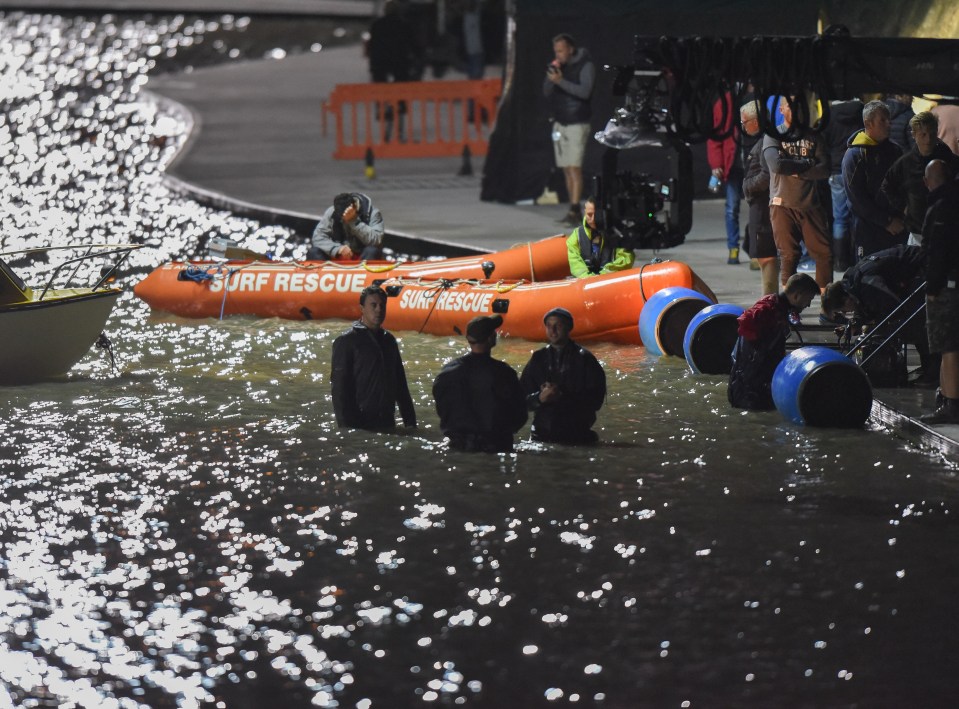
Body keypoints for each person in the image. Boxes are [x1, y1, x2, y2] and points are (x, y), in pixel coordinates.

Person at [820, 244, 934, 385]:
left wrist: (874, 328)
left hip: (922, 268)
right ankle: (929, 368)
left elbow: (893, 308)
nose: (846, 313)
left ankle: (932, 371)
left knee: (914, 324)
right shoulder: (852, 283)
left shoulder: (867, 283)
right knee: (907, 323)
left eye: (843, 310)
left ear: (845, 299)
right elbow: (865, 304)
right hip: (911, 274)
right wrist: (856, 324)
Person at [763, 96, 832, 290]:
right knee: (789, 255)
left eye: (798, 108)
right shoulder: (774, 135)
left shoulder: (813, 136)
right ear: (782, 110)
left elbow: (825, 168)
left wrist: (796, 169)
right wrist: (808, 164)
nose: (795, 112)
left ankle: (827, 306)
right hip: (782, 203)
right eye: (790, 108)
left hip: (810, 203)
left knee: (824, 253)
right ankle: (788, 307)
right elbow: (776, 164)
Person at [432, 314, 528, 452]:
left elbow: (442, 409)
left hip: (458, 446)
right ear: (491, 338)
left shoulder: (447, 372)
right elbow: (520, 414)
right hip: (496, 446)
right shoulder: (505, 373)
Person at [728, 273, 820, 411]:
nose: (808, 304)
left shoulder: (779, 308)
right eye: (809, 299)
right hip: (749, 389)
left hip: (760, 385)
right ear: (797, 295)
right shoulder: (768, 309)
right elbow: (745, 324)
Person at [331, 285, 417, 431]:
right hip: (361, 425)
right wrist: (347, 430)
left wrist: (410, 422)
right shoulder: (347, 341)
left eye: (382, 305)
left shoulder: (389, 341)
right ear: (362, 308)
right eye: (373, 305)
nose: (379, 309)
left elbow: (401, 384)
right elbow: (339, 391)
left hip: (387, 422)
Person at [520, 307, 606, 444]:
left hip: (576, 434)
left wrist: (561, 396)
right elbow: (520, 399)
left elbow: (595, 401)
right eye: (549, 326)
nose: (552, 331)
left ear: (568, 327)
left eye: (558, 326)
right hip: (541, 435)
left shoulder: (585, 359)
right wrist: (540, 398)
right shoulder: (538, 358)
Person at [881, 111, 959, 248]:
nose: (928, 140)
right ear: (914, 135)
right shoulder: (905, 163)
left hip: (947, 229)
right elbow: (887, 185)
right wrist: (904, 208)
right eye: (923, 134)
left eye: (932, 134)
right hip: (918, 231)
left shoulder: (946, 156)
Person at [919, 160, 959, 424]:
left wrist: (932, 287)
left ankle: (950, 403)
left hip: (948, 286)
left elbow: (938, 251)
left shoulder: (943, 207)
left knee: (948, 347)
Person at [840, 100, 905, 263]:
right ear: (868, 123)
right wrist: (886, 221)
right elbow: (857, 198)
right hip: (867, 229)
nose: (889, 124)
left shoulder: (895, 150)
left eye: (889, 119)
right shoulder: (855, 155)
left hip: (896, 227)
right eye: (883, 120)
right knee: (868, 273)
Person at [543, 33, 595, 226]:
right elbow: (546, 92)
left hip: (576, 123)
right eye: (556, 51)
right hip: (560, 123)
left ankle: (575, 208)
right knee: (566, 168)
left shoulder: (585, 65)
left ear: (570, 49)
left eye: (561, 50)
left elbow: (584, 91)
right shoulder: (559, 67)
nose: (558, 54)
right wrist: (552, 76)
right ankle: (571, 208)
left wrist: (560, 82)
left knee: (574, 167)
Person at [740, 99, 779, 295]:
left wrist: (747, 186)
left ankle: (768, 302)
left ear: (756, 121)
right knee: (762, 254)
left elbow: (766, 175)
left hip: (763, 208)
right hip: (760, 206)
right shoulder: (764, 140)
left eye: (744, 122)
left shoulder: (765, 141)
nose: (743, 126)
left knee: (766, 256)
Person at [368, 0, 419, 142]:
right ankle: (400, 131)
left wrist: (373, 68)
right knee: (400, 96)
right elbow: (414, 44)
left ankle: (383, 114)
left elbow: (372, 47)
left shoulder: (377, 25)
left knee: (382, 94)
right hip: (399, 65)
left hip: (381, 65)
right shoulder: (404, 24)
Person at [822, 97, 864, 271]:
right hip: (857, 168)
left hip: (836, 170)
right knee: (857, 216)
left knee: (839, 218)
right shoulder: (861, 111)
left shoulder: (829, 116)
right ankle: (857, 258)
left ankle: (840, 261)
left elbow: (824, 142)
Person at [708, 92, 744, 264]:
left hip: (754, 164)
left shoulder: (757, 96)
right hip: (734, 165)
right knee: (732, 208)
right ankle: (733, 248)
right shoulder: (725, 101)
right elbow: (715, 135)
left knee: (758, 210)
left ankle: (756, 251)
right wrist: (716, 163)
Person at [566, 196, 635, 277]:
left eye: (597, 215)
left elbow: (626, 258)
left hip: (609, 281)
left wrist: (603, 275)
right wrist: (588, 278)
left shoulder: (618, 234)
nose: (593, 219)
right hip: (584, 282)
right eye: (589, 215)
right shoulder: (577, 235)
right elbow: (575, 262)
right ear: (585, 212)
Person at [310, 192, 385, 260]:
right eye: (342, 219)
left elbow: (376, 240)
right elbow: (317, 237)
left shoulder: (373, 213)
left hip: (362, 254)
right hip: (339, 254)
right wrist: (337, 249)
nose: (345, 220)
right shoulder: (332, 212)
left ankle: (366, 274)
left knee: (372, 251)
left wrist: (354, 221)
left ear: (354, 206)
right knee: (314, 251)